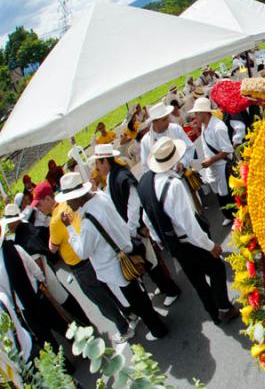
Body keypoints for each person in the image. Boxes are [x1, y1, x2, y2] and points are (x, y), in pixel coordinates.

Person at [57, 173, 168, 341]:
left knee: (135, 300)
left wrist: (70, 229)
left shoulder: (87, 223)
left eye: (70, 199)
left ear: (78, 197)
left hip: (116, 267)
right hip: (126, 253)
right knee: (139, 293)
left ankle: (157, 329)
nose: (68, 204)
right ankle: (155, 320)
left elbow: (82, 252)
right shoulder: (100, 198)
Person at [139, 137, 237, 325]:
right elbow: (189, 224)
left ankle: (213, 313)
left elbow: (146, 219)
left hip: (173, 244)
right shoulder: (173, 185)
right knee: (216, 269)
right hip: (190, 241)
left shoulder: (145, 182)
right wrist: (210, 245)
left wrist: (161, 240)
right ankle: (224, 308)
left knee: (197, 281)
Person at [32, 181, 135, 345]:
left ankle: (123, 328)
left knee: (100, 300)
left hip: (80, 265)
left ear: (48, 199)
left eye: (39, 204)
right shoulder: (68, 203)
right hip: (92, 257)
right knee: (109, 291)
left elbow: (52, 247)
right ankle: (130, 314)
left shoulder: (55, 221)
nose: (38, 209)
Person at [91, 144, 181, 307]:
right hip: (130, 229)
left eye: (97, 163)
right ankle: (164, 286)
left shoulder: (121, 176)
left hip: (136, 228)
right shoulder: (114, 175)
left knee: (150, 261)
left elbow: (134, 204)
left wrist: (130, 229)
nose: (97, 168)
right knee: (147, 261)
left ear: (105, 161)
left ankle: (171, 290)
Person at [2, 203, 91, 328]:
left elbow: (36, 258)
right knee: (63, 297)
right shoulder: (25, 227)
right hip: (45, 267)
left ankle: (84, 323)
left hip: (43, 270)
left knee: (62, 300)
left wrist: (43, 281)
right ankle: (83, 321)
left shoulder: (23, 236)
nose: (9, 226)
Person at [0, 234, 74, 369]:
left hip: (25, 308)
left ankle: (67, 367)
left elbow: (5, 298)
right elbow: (36, 271)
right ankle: (82, 348)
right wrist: (43, 286)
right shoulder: (16, 249)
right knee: (62, 325)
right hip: (39, 296)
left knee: (47, 340)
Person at [190, 98, 235, 225]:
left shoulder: (218, 127)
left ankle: (235, 216)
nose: (195, 116)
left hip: (221, 166)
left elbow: (227, 150)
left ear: (204, 112)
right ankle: (228, 215)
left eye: (197, 113)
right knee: (219, 194)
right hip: (212, 167)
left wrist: (211, 160)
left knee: (227, 194)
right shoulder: (205, 126)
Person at [139, 102, 195, 173]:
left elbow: (190, 148)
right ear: (155, 121)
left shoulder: (176, 129)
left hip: (185, 173)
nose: (168, 121)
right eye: (164, 119)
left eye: (167, 118)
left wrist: (183, 162)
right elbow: (146, 167)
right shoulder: (146, 141)